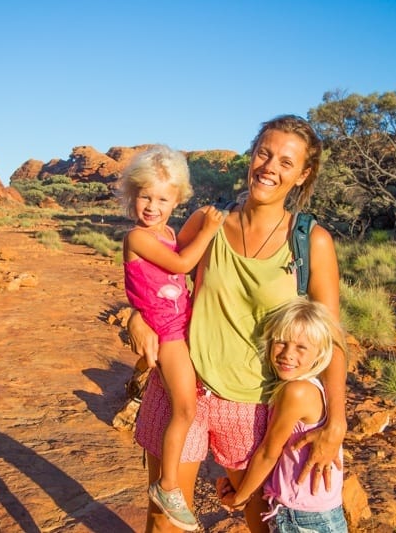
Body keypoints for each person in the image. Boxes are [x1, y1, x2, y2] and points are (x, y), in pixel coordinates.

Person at [128, 115, 347, 532]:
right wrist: (139, 316)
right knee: (165, 520)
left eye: (286, 162)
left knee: (260, 518)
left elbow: (332, 339)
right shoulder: (207, 223)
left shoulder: (312, 243)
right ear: (252, 156)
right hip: (183, 388)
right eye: (264, 153)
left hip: (254, 404)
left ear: (303, 175)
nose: (270, 167)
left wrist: (336, 421)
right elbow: (160, 283)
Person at [118, 145, 224, 531]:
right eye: (145, 195)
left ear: (176, 199)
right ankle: (167, 486)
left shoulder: (165, 233)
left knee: (187, 403)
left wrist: (201, 223)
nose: (152, 205)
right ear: (133, 194)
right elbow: (181, 264)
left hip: (180, 327)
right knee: (185, 408)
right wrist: (210, 230)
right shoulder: (138, 238)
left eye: (162, 198)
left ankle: (167, 484)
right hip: (168, 334)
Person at [219, 298, 348, 532]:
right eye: (281, 342)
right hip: (313, 513)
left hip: (303, 519)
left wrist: (240, 497)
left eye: (301, 347)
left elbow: (270, 452)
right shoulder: (313, 387)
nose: (287, 354)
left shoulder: (296, 392)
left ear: (320, 353)